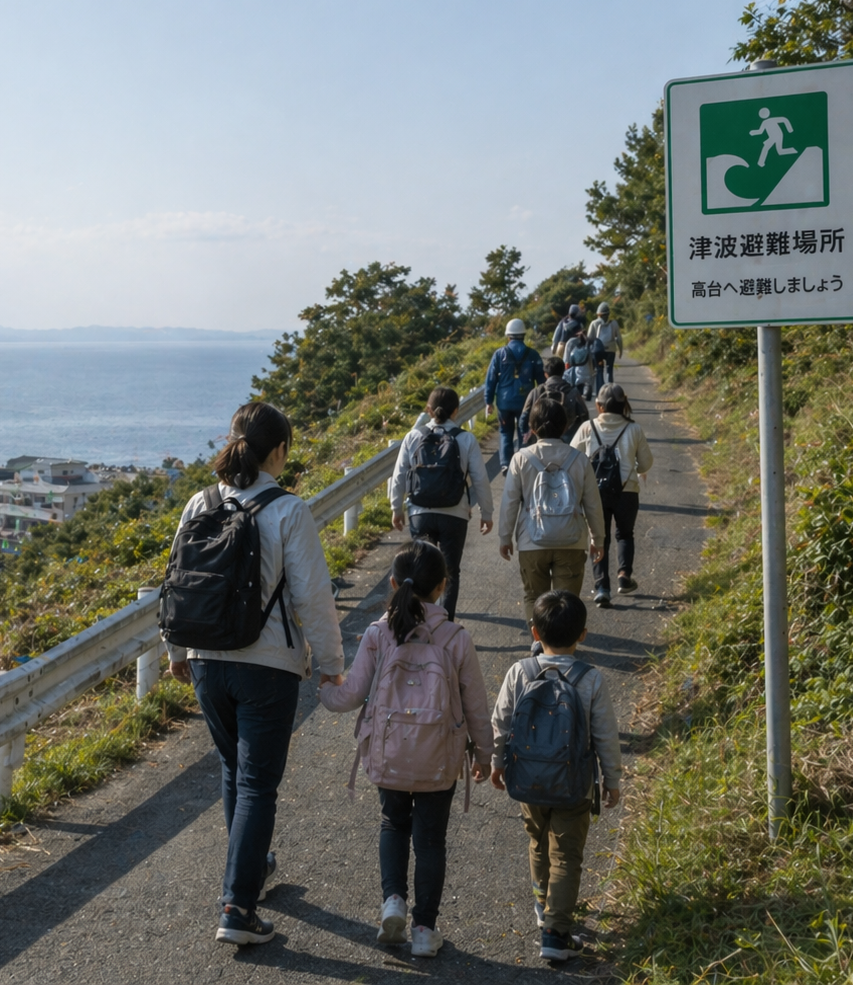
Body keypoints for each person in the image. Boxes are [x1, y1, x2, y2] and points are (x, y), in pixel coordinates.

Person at [165, 401, 345, 946]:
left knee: (232, 769)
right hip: (266, 667)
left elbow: (178, 578)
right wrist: (333, 664)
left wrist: (175, 648)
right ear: (279, 451)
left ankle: (251, 872)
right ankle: (238, 908)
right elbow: (312, 596)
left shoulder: (201, 500)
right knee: (257, 784)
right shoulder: (288, 510)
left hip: (205, 662)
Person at [320, 540, 493, 957]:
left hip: (389, 753)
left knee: (393, 823)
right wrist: (485, 755)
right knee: (431, 840)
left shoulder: (380, 633)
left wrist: (325, 687)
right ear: (443, 587)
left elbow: (351, 694)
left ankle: (392, 902)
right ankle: (423, 931)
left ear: (394, 583)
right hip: (440, 758)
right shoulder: (455, 638)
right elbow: (475, 705)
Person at [490, 590, 622, 962]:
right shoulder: (590, 679)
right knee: (566, 854)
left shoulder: (520, 671)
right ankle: (556, 933)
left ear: (534, 632)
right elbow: (606, 736)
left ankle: (541, 906)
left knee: (537, 840)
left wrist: (497, 763)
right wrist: (611, 780)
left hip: (528, 779)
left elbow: (500, 723)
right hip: (573, 784)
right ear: (583, 634)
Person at [388, 386, 494, 621]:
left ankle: (415, 620)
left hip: (419, 512)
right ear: (456, 410)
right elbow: (480, 479)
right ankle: (445, 624)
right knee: (450, 572)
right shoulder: (465, 439)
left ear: (428, 410)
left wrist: (396, 508)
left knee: (417, 570)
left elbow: (399, 476)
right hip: (454, 514)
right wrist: (487, 512)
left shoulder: (413, 436)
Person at [498, 398, 604, 627]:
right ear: (566, 426)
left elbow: (509, 503)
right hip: (572, 541)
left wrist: (504, 537)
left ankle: (539, 643)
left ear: (533, 428)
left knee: (534, 598)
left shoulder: (520, 459)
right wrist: (598, 538)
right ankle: (564, 647)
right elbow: (593, 503)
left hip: (531, 542)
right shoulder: (580, 459)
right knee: (567, 602)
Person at [570, 383, 654, 607]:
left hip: (594, 493)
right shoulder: (633, 429)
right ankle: (624, 574)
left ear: (598, 406)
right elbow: (646, 462)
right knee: (625, 534)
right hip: (627, 492)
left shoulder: (588, 428)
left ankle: (601, 587)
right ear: (623, 404)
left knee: (599, 539)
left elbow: (572, 456)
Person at [483, 319, 545, 474]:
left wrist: (488, 402)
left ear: (508, 336)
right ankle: (524, 463)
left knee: (505, 432)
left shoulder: (499, 354)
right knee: (525, 431)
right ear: (523, 335)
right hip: (526, 402)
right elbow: (542, 381)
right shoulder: (533, 354)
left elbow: (490, 380)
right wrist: (542, 400)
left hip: (504, 403)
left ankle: (505, 464)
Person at [518, 358, 589, 445]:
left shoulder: (536, 392)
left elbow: (523, 418)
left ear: (545, 374)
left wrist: (528, 436)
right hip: (567, 442)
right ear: (563, 372)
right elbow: (584, 416)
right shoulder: (573, 392)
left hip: (540, 442)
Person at [587, 303, 623, 391]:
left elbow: (589, 339)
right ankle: (610, 390)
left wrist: (589, 353)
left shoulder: (594, 323)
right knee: (609, 370)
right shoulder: (614, 323)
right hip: (611, 350)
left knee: (599, 370)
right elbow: (619, 338)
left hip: (599, 350)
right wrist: (620, 350)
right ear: (608, 314)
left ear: (598, 314)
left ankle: (600, 390)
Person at [562, 329, 597, 401]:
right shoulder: (590, 345)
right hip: (588, 376)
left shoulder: (572, 344)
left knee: (577, 399)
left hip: (576, 377)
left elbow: (567, 361)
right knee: (587, 398)